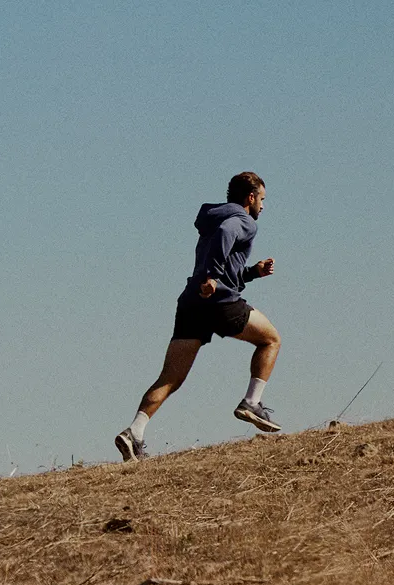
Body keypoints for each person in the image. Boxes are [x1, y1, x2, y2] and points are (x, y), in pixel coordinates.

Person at [115, 171, 281, 462]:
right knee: (271, 340)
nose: (263, 207)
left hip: (192, 303)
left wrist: (252, 272)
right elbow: (226, 237)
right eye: (262, 200)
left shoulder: (211, 219)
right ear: (250, 198)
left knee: (170, 377)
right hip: (218, 302)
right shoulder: (242, 221)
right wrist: (213, 277)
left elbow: (229, 269)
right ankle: (251, 402)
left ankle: (134, 432)